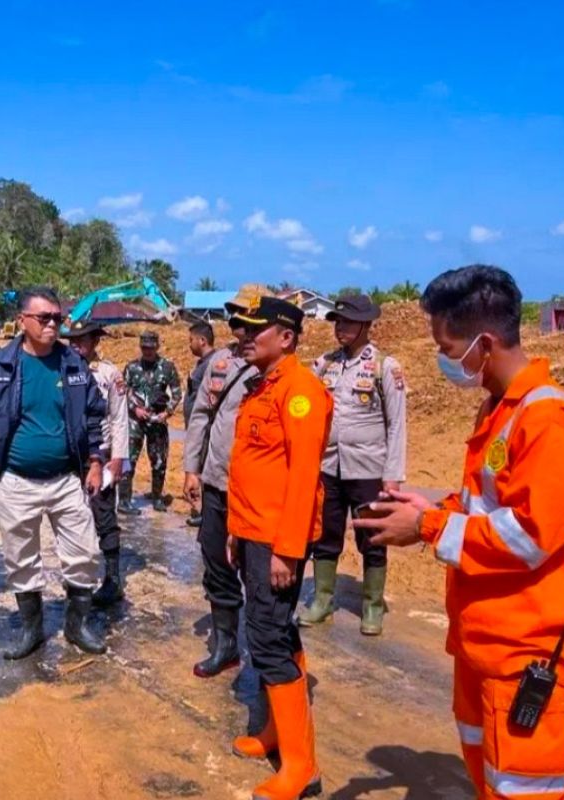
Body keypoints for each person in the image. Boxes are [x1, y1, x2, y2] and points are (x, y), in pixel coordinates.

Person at [353, 265, 564, 800]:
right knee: (486, 775)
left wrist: (426, 525)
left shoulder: (550, 424)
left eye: (448, 347)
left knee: (522, 788)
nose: (445, 360)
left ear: (484, 342)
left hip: (527, 651)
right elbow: (487, 505)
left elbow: (530, 537)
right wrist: (433, 506)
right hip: (486, 643)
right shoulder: (498, 411)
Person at [0, 287, 109, 659]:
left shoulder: (73, 364)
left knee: (84, 554)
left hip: (65, 480)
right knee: (21, 559)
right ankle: (32, 630)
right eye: (43, 318)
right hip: (16, 481)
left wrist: (95, 461)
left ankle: (76, 628)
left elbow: (94, 413)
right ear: (22, 321)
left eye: (57, 318)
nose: (52, 325)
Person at [225, 296, 332, 800]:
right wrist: (233, 528)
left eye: (253, 329)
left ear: (285, 337)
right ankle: (274, 733)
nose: (244, 336)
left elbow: (304, 478)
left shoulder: (300, 392)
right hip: (252, 532)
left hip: (276, 540)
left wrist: (288, 551)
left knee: (266, 637)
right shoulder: (260, 386)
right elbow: (250, 469)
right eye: (240, 329)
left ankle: (301, 768)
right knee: (275, 633)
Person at [299, 294, 407, 636]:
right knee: (326, 535)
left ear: (365, 325)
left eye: (346, 322)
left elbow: (397, 424)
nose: (339, 328)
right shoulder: (324, 365)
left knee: (372, 537)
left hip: (368, 469)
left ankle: (372, 606)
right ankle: (323, 599)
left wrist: (393, 475)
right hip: (329, 466)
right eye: (337, 321)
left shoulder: (384, 367)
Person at [182, 286, 262, 678]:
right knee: (215, 559)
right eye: (235, 321)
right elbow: (200, 416)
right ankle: (227, 643)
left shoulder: (278, 367)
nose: (241, 329)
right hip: (216, 482)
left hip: (259, 493)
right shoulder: (219, 363)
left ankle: (267, 649)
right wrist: (191, 468)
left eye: (249, 321)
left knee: (257, 571)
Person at [62, 320, 130, 607]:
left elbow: (118, 418)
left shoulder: (109, 374)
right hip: (68, 456)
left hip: (99, 455)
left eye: (83, 339)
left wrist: (117, 459)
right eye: (73, 339)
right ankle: (78, 578)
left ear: (95, 341)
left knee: (103, 514)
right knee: (71, 518)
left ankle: (112, 580)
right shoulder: (60, 369)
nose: (76, 344)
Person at [120, 330, 182, 514]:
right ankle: (124, 501)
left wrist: (167, 412)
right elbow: (124, 391)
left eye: (150, 348)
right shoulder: (131, 367)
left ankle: (157, 498)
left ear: (157, 347)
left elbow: (177, 392)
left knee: (159, 461)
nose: (147, 351)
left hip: (157, 420)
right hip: (135, 421)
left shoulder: (167, 367)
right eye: (144, 347)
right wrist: (135, 408)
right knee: (128, 460)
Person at [182, 320, 217, 527]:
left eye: (191, 340)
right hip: (198, 430)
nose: (189, 344)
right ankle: (199, 511)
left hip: (206, 432)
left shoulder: (213, 365)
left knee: (202, 471)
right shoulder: (202, 364)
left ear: (202, 341)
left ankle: (203, 513)